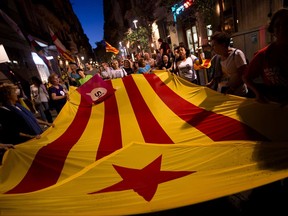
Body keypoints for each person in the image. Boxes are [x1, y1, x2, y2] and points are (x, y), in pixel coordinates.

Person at [243, 8, 288, 105]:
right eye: (277, 25)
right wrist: (258, 93)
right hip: (274, 106)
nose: (282, 28)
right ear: (272, 29)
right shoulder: (263, 55)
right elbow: (246, 77)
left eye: (286, 24)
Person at [207, 31, 248, 96]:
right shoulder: (217, 57)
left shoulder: (237, 54)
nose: (213, 48)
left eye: (214, 45)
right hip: (223, 91)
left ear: (223, 44)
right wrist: (211, 83)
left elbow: (244, 75)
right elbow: (218, 75)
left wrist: (232, 89)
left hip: (238, 93)